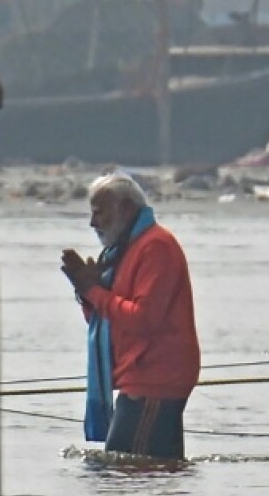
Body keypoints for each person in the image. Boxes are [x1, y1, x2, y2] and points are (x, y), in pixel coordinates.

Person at [60, 172, 201, 461]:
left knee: (124, 467)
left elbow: (143, 319)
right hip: (138, 375)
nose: (93, 223)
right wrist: (87, 293)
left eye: (100, 212)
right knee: (156, 468)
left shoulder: (156, 246)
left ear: (125, 208)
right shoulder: (123, 251)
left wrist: (94, 292)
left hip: (155, 375)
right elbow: (108, 321)